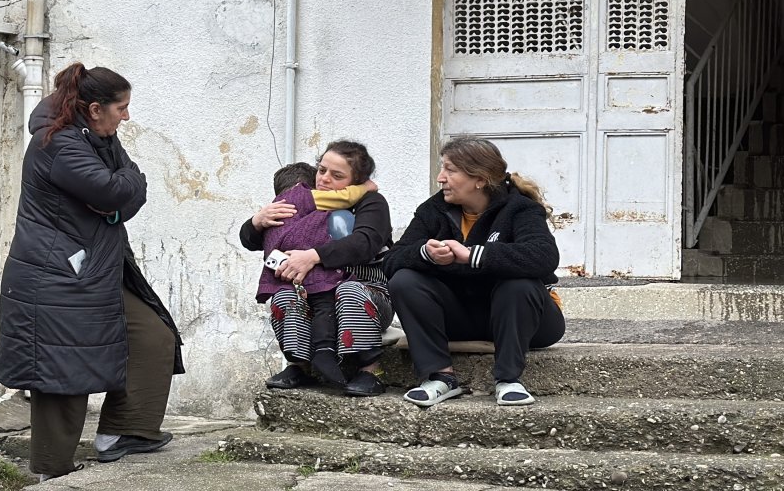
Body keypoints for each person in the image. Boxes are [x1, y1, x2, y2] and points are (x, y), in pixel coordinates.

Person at [0, 63, 184, 480]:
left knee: (153, 337)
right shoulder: (58, 143)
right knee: (63, 367)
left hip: (96, 268)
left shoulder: (98, 137)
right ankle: (53, 471)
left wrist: (118, 198)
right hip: (57, 273)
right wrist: (120, 191)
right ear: (95, 108)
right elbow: (115, 189)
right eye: (122, 108)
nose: (126, 117)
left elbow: (126, 193)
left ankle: (124, 432)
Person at [383, 135, 565, 408]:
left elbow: (544, 256)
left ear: (479, 179)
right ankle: (440, 378)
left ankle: (508, 380)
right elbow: (391, 260)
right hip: (460, 317)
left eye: (450, 170)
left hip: (528, 321)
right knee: (404, 280)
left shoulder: (520, 208)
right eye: (442, 169)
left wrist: (473, 256)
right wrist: (425, 254)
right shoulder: (433, 210)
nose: (440, 178)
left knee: (519, 282)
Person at [240, 141, 394, 397]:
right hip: (315, 297)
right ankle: (299, 366)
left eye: (337, 175)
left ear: (356, 180)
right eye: (322, 170)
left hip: (368, 295)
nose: (324, 179)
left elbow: (364, 243)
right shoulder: (307, 201)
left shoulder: (371, 203)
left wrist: (313, 256)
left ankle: (370, 370)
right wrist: (257, 222)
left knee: (348, 291)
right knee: (286, 295)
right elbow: (261, 240)